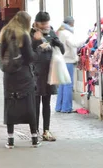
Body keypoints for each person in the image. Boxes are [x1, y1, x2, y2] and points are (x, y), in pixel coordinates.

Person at [0, 11, 40, 149]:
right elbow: (30, 58)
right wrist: (38, 46)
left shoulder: (4, 33)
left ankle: (10, 141)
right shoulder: (24, 35)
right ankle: (34, 139)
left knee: (10, 105)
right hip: (24, 76)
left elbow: (1, 56)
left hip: (9, 76)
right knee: (29, 106)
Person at [31, 11, 64, 142]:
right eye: (43, 23)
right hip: (36, 74)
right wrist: (38, 46)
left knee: (47, 103)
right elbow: (28, 54)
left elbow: (61, 49)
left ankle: (46, 130)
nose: (45, 25)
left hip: (49, 73)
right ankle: (35, 131)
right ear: (37, 22)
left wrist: (58, 44)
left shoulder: (51, 32)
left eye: (47, 23)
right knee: (35, 104)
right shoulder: (31, 34)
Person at [55, 16, 81, 113]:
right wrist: (85, 40)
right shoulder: (67, 33)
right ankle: (66, 108)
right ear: (71, 23)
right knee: (68, 85)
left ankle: (59, 106)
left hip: (60, 61)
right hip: (68, 61)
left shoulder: (59, 32)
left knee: (62, 85)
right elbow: (74, 44)